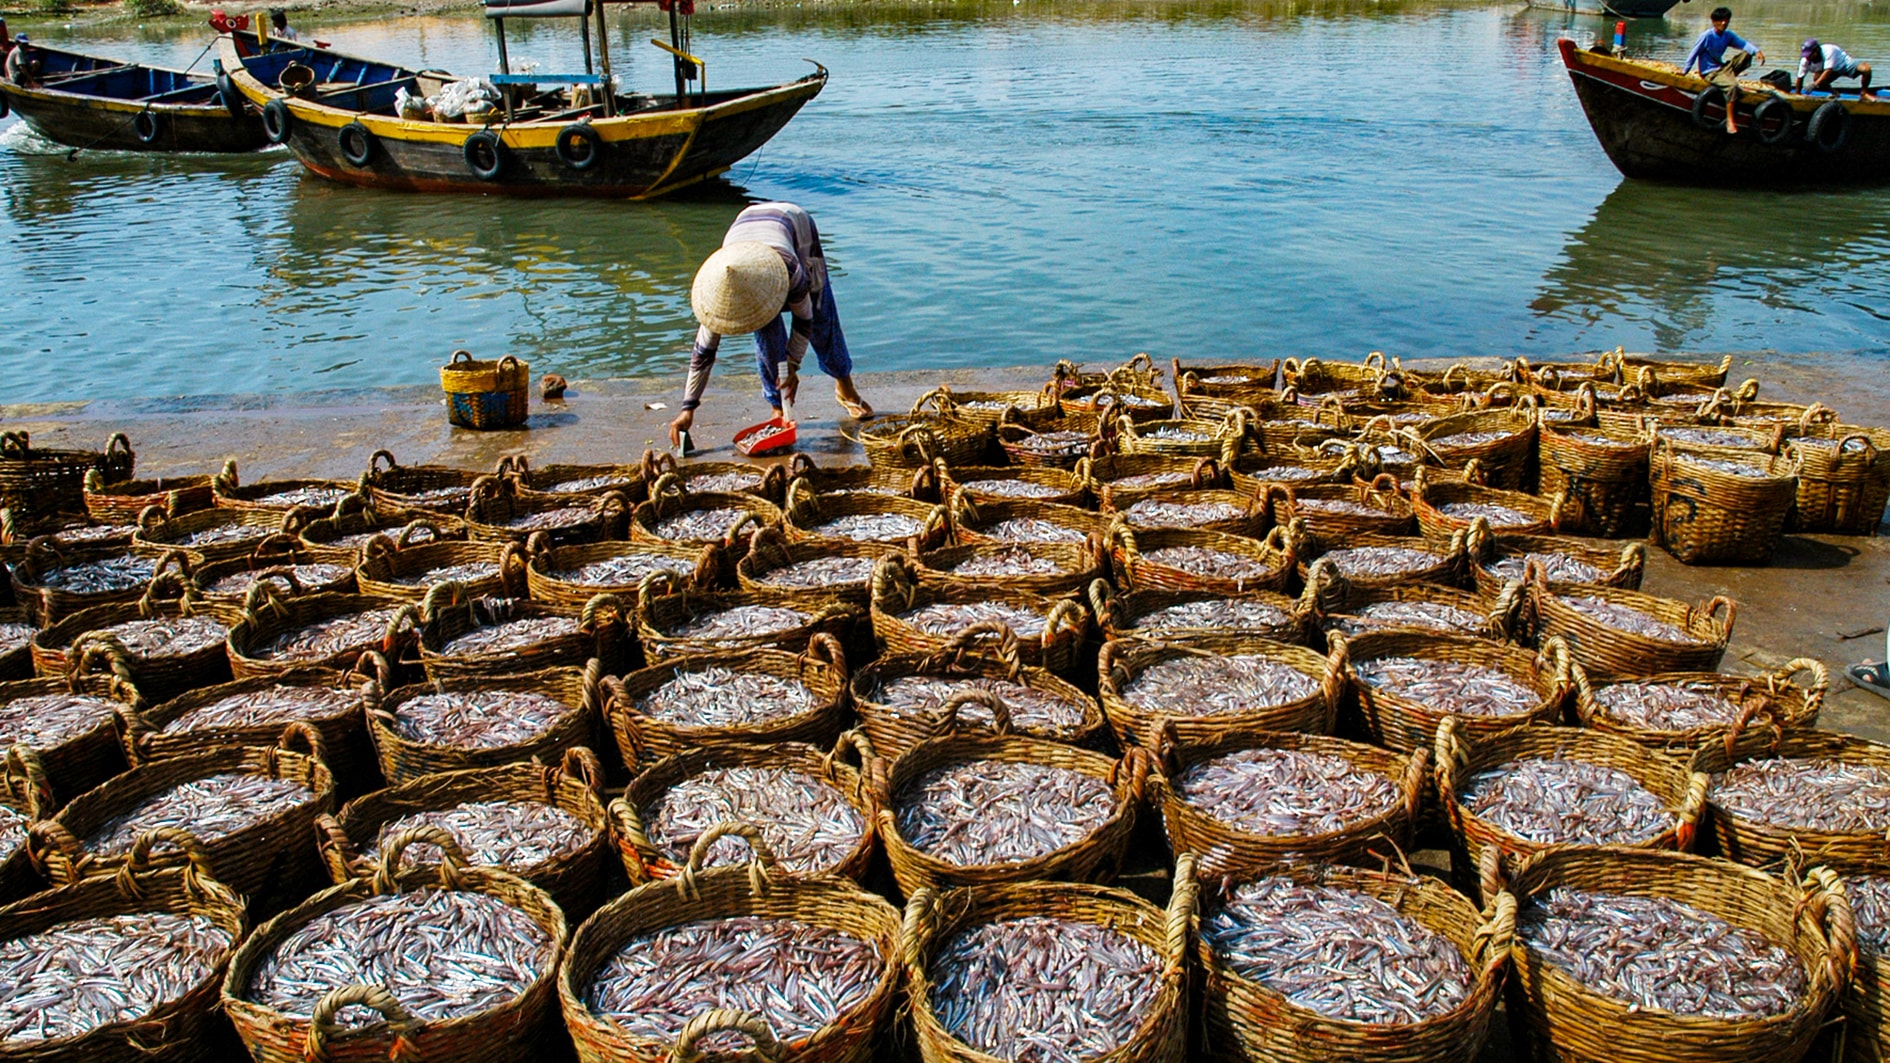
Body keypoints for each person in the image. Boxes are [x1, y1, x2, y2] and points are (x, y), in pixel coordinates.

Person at [668, 202, 873, 449]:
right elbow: (702, 355)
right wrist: (687, 408)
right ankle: (778, 408)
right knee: (765, 332)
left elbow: (805, 319)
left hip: (795, 228)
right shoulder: (717, 294)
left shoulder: (791, 268)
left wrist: (793, 365)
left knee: (822, 313)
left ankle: (845, 387)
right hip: (744, 241)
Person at [1681, 7, 1766, 135]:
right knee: (1732, 87)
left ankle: (1728, 78)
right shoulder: (1706, 36)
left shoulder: (1728, 35)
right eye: (1720, 21)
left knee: (1747, 53)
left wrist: (1757, 51)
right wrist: (1685, 71)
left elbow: (1743, 44)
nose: (1724, 23)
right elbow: (1694, 53)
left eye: (1726, 20)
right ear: (1714, 21)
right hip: (1710, 72)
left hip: (1722, 68)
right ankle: (1730, 120)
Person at [1797, 39, 1876, 99]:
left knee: (1866, 70)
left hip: (1844, 65)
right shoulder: (1805, 60)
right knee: (1817, 78)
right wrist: (1798, 94)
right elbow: (1800, 77)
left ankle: (1864, 93)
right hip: (1832, 72)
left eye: (1810, 55)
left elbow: (1828, 70)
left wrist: (1814, 85)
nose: (1807, 57)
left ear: (1816, 51)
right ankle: (1835, 93)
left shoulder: (1828, 50)